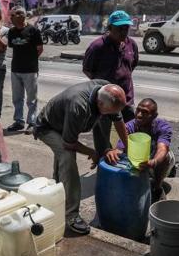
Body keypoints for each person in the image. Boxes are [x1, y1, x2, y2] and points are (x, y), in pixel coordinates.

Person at [34, 81, 129, 235]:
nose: (113, 114)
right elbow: (69, 143)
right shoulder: (78, 105)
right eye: (110, 111)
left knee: (62, 168)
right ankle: (71, 215)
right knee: (67, 157)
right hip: (48, 127)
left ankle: (55, 196)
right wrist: (93, 153)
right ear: (99, 103)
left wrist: (129, 149)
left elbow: (118, 121)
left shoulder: (107, 92)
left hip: (67, 124)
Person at [83, 10, 138, 157]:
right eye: (119, 28)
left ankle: (129, 160)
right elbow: (88, 70)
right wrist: (105, 86)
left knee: (131, 132)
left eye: (126, 28)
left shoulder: (131, 44)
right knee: (102, 136)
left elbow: (132, 65)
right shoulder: (97, 46)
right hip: (105, 100)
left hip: (126, 97)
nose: (124, 31)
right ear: (110, 28)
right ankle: (103, 161)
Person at [106, 98, 174, 202]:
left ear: (154, 116)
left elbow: (162, 149)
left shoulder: (162, 126)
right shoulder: (130, 126)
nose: (139, 115)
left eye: (145, 112)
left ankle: (157, 187)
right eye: (138, 110)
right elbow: (120, 149)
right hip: (138, 158)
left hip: (155, 159)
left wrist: (153, 162)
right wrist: (112, 152)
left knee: (166, 157)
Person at [7, 6, 42, 134]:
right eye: (11, 15)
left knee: (31, 99)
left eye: (13, 15)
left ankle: (32, 123)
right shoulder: (11, 32)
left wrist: (31, 60)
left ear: (22, 15)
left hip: (30, 70)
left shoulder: (33, 31)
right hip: (15, 69)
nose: (11, 17)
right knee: (17, 98)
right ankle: (19, 121)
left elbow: (39, 49)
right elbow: (12, 46)